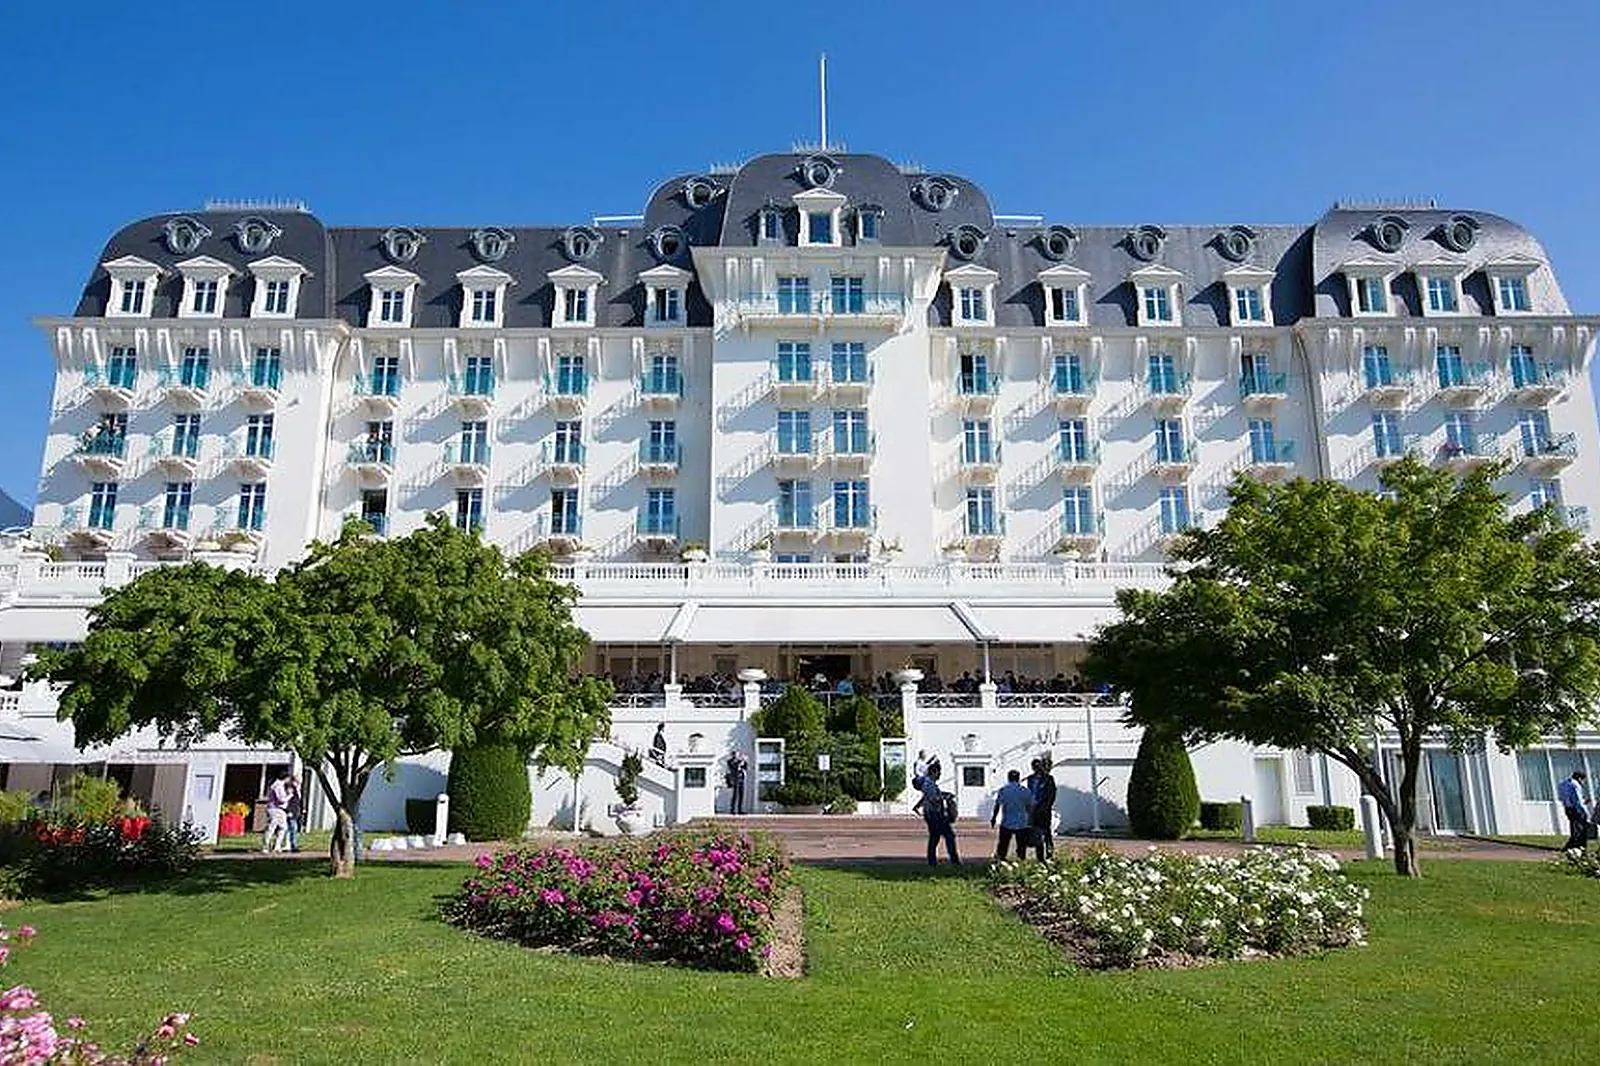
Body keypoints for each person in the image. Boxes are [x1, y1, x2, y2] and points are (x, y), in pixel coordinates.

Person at [913, 765, 959, 866]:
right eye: (939, 772)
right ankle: (954, 860)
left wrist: (917, 806)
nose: (940, 775)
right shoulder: (929, 784)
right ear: (934, 772)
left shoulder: (929, 783)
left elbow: (926, 797)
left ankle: (932, 861)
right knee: (949, 836)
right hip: (934, 814)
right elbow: (933, 798)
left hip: (931, 814)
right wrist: (945, 797)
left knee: (935, 837)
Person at [991, 769, 1034, 862]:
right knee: (1021, 845)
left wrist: (993, 818)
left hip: (1007, 821)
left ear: (1008, 778)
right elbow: (1029, 807)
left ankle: (1001, 860)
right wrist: (1031, 820)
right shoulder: (1025, 790)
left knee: (1003, 844)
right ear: (1018, 778)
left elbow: (998, 805)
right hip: (1022, 822)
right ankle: (1021, 860)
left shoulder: (1003, 790)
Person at [1025, 757, 1058, 860]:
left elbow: (1051, 795)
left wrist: (1046, 807)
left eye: (1038, 766)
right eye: (1034, 766)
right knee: (1036, 834)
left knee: (1046, 833)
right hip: (1033, 810)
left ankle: (1049, 855)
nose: (1036, 768)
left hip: (1044, 810)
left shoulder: (1048, 778)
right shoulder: (1030, 779)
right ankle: (1040, 857)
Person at [1557, 768, 1590, 851]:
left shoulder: (1563, 784)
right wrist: (1584, 810)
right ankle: (1577, 846)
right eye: (1583, 780)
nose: (1583, 783)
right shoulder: (1575, 785)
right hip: (1576, 809)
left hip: (1568, 808)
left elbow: (1562, 796)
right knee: (1580, 829)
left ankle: (1572, 845)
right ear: (1579, 778)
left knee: (1574, 826)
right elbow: (1578, 800)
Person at [263, 769, 293, 853]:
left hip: (280, 810)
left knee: (283, 827)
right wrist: (290, 795)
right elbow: (281, 799)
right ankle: (266, 846)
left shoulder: (278, 785)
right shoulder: (278, 786)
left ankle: (277, 846)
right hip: (275, 809)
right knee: (272, 828)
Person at [725, 750, 748, 816]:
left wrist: (745, 761)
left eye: (738, 754)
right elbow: (734, 767)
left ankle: (740, 810)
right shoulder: (730, 761)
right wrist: (740, 763)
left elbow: (745, 768)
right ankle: (733, 810)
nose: (737, 756)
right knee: (735, 795)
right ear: (733, 755)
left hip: (741, 779)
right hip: (735, 780)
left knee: (741, 795)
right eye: (735, 754)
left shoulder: (740, 761)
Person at [285, 775, 303, 853]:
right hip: (291, 812)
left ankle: (291, 844)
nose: (299, 782)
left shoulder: (298, 790)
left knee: (293, 829)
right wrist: (289, 810)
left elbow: (298, 801)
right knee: (292, 828)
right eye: (297, 781)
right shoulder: (291, 788)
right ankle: (292, 845)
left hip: (296, 812)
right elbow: (288, 801)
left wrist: (302, 809)